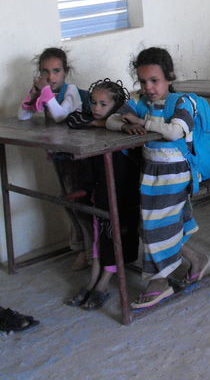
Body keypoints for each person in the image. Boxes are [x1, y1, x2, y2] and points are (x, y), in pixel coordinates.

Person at [106, 48, 210, 308]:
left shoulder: (182, 102)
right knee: (150, 225)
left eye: (154, 80)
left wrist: (142, 120)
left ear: (169, 77)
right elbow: (111, 119)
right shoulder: (142, 101)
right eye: (143, 81)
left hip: (176, 173)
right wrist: (125, 124)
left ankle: (159, 282)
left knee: (155, 225)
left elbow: (175, 131)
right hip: (151, 172)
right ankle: (196, 259)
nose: (148, 87)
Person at [65, 79, 140, 310]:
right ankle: (92, 280)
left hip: (119, 198)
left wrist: (110, 123)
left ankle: (103, 284)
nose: (95, 108)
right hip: (101, 195)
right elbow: (73, 119)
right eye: (93, 102)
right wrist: (100, 122)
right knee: (98, 237)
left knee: (112, 236)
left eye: (102, 104)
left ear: (116, 107)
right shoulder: (95, 120)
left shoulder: (124, 124)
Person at [18, 47, 90, 271]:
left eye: (56, 71)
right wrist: (33, 95)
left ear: (65, 72)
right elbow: (22, 116)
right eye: (45, 71)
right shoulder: (45, 93)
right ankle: (80, 247)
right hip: (59, 155)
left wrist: (46, 94)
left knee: (81, 204)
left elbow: (60, 115)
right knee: (68, 201)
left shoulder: (71, 92)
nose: (51, 77)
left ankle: (89, 251)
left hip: (78, 156)